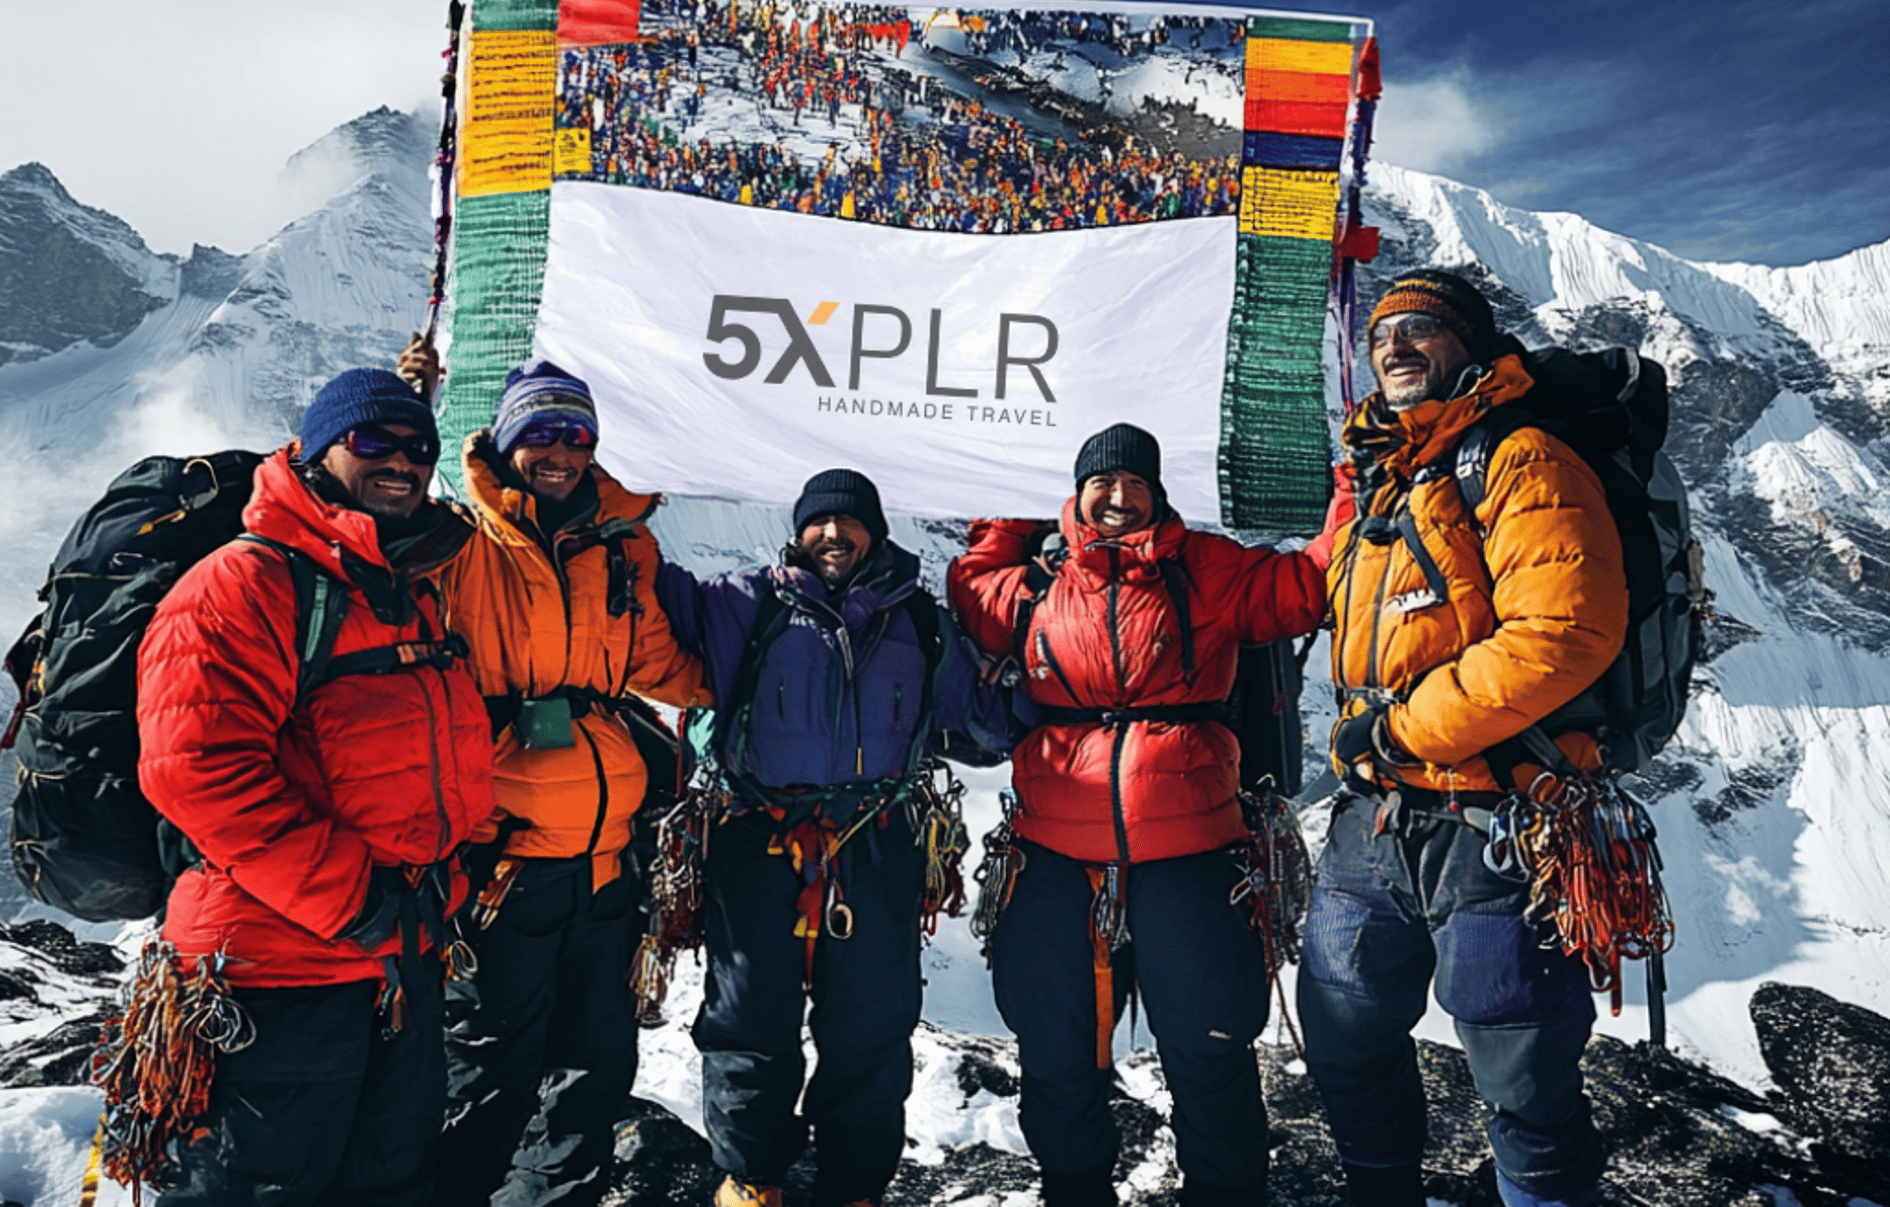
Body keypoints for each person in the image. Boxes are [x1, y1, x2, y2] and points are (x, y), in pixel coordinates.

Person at [946, 424, 1345, 1207]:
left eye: (1135, 483)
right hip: (1058, 859)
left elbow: (1310, 584)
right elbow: (972, 582)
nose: (1119, 497)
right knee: (1059, 1057)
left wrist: (1352, 484)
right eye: (1103, 483)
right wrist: (1010, 483)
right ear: (1077, 492)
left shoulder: (1210, 569)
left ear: (1158, 493)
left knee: (1210, 1050)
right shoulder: (1037, 587)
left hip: (1193, 855)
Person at [1298, 269, 1629, 1207]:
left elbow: (1563, 633)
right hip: (1376, 817)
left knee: (1519, 1067)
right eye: (1383, 334)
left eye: (1422, 331)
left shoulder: (1521, 458)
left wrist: (1400, 729)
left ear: (1468, 348)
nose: (1395, 346)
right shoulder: (1378, 485)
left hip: (1500, 814)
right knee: (1344, 1036)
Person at [137, 368, 497, 1207]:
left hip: (393, 962)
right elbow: (196, 771)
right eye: (372, 442)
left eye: (418, 447)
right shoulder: (244, 584)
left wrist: (442, 882)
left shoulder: (407, 588)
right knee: (263, 1189)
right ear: (314, 451)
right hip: (270, 973)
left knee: (390, 1182)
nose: (400, 462)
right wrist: (357, 900)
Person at [397, 341, 709, 1207]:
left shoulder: (619, 546)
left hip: (607, 868)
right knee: (491, 1074)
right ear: (505, 444)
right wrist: (402, 403)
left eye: (576, 434)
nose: (561, 451)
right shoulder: (456, 540)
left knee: (592, 1074)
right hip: (502, 867)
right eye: (542, 434)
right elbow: (357, 517)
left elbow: (660, 663)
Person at [655, 469, 1009, 1207]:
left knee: (872, 1028)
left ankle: (855, 1188)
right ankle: (754, 1181)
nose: (833, 534)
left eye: (849, 523)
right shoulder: (742, 602)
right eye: (820, 522)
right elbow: (642, 581)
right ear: (799, 528)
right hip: (757, 835)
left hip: (876, 841)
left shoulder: (918, 619)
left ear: (874, 532)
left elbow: (979, 729)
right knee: (747, 1020)